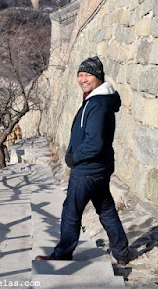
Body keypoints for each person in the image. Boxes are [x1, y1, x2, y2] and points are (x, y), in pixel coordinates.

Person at [35, 56, 129, 264]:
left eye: (87, 74)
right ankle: (122, 254)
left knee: (71, 212)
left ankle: (62, 255)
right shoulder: (97, 100)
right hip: (98, 168)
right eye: (80, 74)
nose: (82, 79)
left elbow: (94, 142)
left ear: (97, 77)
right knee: (106, 209)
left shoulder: (97, 104)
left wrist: (74, 158)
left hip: (87, 170)